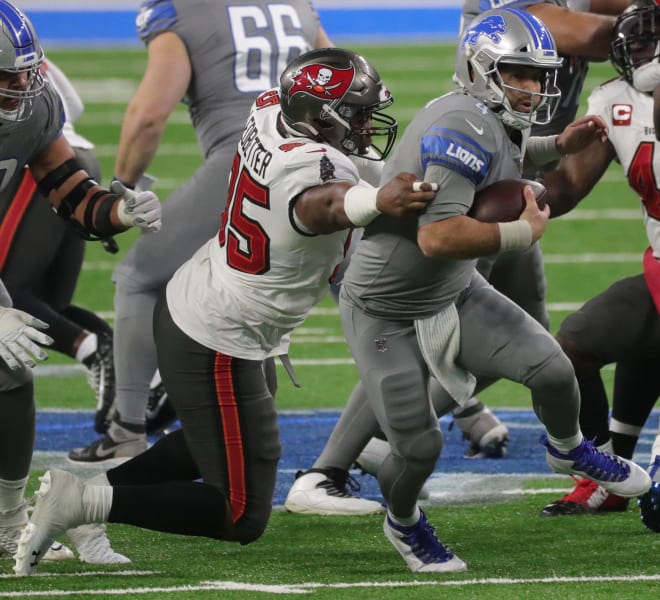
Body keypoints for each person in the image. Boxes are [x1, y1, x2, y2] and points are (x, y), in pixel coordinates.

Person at [13, 47, 439, 576]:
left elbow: (334, 174)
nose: (364, 123)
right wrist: (376, 202)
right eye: (352, 113)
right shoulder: (310, 168)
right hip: (217, 334)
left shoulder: (268, 109)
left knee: (208, 445)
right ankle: (79, 504)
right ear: (316, 117)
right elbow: (324, 203)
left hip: (210, 301)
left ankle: (90, 495)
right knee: (240, 511)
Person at [296, 8, 652, 573]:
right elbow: (438, 238)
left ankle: (567, 448)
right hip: (386, 308)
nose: (533, 88)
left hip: (452, 291)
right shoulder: (459, 125)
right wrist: (522, 232)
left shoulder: (491, 114)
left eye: (539, 76)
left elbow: (506, 153)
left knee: (554, 368)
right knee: (418, 450)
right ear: (482, 67)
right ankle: (405, 522)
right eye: (521, 74)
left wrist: (560, 141)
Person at [67, 0, 336, 461]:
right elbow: (340, 77)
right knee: (365, 289)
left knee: (138, 278)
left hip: (248, 160)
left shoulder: (179, 12)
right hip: (325, 162)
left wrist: (122, 191)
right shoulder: (295, 6)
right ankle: (452, 412)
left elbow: (149, 116)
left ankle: (127, 429)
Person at [0, 0, 161, 564]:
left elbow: (65, 186)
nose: (22, 86)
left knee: (8, 374)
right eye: (7, 76)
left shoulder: (31, 107)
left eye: (25, 71)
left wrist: (117, 213)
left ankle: (5, 521)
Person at [526, 0, 660, 518]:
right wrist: (515, 199)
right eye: (638, 46)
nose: (644, 55)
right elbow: (568, 185)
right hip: (658, 265)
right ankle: (610, 467)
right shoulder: (614, 100)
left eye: (654, 43)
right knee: (578, 343)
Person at [1, 58, 115, 436]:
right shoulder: (23, 50)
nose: (19, 83)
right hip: (71, 156)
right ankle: (111, 354)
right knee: (47, 299)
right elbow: (71, 103)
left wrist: (112, 212)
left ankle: (96, 350)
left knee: (12, 292)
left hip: (44, 163)